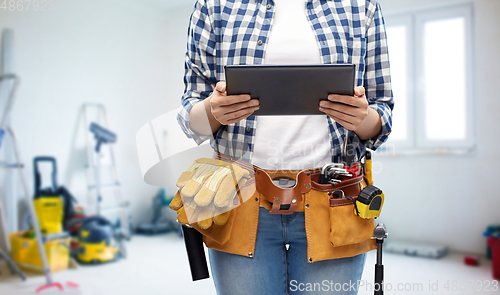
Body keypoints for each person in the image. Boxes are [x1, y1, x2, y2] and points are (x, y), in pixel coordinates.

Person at [177, 0, 394, 294]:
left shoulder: (361, 6)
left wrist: (361, 118)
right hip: (238, 199)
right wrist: (212, 112)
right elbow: (193, 120)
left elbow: (382, 113)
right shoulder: (214, 5)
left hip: (334, 200)